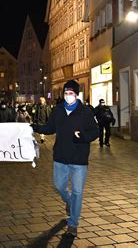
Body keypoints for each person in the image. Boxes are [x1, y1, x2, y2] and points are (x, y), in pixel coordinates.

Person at [32, 80, 98, 237]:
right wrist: (33, 127)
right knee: (59, 186)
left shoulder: (85, 112)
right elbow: (49, 128)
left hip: (79, 158)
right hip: (60, 156)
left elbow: (95, 131)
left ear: (76, 95)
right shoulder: (58, 110)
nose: (68, 96)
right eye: (66, 93)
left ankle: (73, 224)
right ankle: (69, 201)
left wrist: (82, 137)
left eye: (71, 93)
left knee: (77, 191)